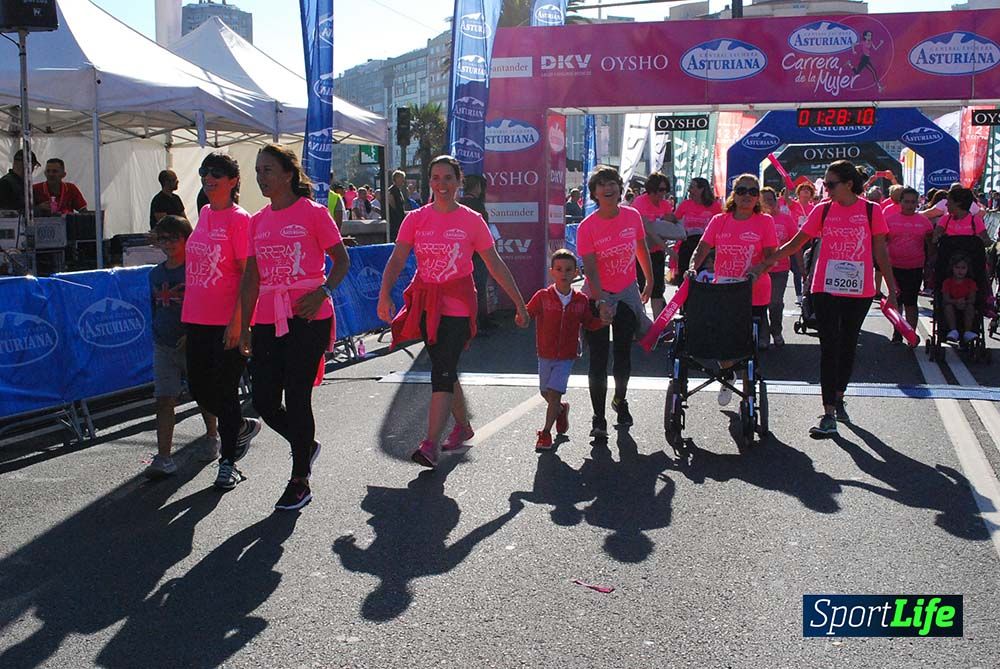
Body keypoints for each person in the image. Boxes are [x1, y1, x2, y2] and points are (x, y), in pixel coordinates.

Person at [377, 155, 529, 469]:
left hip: (458, 303)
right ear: (428, 182)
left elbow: (495, 264)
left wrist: (519, 302)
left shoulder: (472, 220)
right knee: (444, 366)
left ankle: (430, 444)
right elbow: (396, 259)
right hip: (426, 302)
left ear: (459, 182)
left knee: (442, 371)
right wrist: (383, 296)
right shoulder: (415, 219)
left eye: (449, 178)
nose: (442, 184)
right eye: (436, 178)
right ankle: (463, 425)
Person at [237, 144, 350, 511]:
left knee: (298, 395)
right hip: (268, 317)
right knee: (265, 401)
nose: (261, 178)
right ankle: (306, 445)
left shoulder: (313, 213)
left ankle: (299, 479)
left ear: (288, 173)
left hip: (308, 316)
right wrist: (245, 325)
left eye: (267, 170)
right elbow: (252, 276)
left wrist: (322, 292)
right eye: (257, 171)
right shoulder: (257, 220)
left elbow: (341, 261)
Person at [764, 159, 897, 438]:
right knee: (829, 346)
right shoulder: (822, 211)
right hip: (825, 287)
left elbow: (881, 252)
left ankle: (838, 396)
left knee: (848, 344)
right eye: (825, 184)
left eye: (831, 184)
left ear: (849, 184)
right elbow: (797, 241)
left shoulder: (872, 212)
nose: (826, 189)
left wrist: (892, 291)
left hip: (858, 291)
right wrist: (765, 263)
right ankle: (828, 412)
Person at [182, 152, 262, 489]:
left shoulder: (240, 220)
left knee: (225, 392)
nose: (208, 178)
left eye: (217, 173)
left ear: (233, 181)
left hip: (227, 322)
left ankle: (228, 461)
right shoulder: (202, 213)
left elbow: (248, 275)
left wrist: (238, 322)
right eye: (204, 171)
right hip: (195, 317)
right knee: (200, 389)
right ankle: (240, 427)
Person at [577, 165, 653, 436]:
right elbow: (590, 269)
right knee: (598, 358)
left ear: (620, 188)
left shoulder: (632, 216)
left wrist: (650, 280)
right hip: (597, 294)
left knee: (623, 354)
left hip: (627, 291)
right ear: (594, 193)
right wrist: (599, 302)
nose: (608, 188)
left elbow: (641, 248)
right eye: (602, 185)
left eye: (613, 184)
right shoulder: (587, 227)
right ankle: (598, 418)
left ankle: (620, 400)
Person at [688, 175, 777, 403]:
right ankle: (728, 375)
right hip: (723, 291)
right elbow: (702, 247)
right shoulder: (720, 220)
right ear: (733, 194)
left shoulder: (764, 222)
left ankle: (748, 396)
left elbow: (771, 257)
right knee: (721, 344)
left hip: (753, 293)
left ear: (758, 196)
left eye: (752, 192)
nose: (747, 196)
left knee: (748, 348)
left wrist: (756, 271)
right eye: (742, 191)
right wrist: (692, 268)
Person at [145, 215, 218, 478]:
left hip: (193, 342)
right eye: (162, 238)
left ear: (186, 239)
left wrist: (194, 333)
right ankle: (164, 456)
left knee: (203, 393)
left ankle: (212, 436)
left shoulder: (195, 269)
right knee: (164, 398)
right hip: (164, 344)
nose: (167, 244)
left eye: (173, 238)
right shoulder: (155, 274)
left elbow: (207, 303)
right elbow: (155, 307)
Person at [525, 249, 607, 450]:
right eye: (559, 269)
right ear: (551, 272)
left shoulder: (580, 300)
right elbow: (528, 314)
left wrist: (602, 322)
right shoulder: (543, 296)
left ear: (576, 273)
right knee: (545, 391)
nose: (564, 273)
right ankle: (561, 410)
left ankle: (545, 433)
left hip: (567, 356)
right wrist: (521, 317)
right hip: (545, 353)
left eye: (568, 270)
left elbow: (588, 322)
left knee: (554, 392)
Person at [885, 187, 933, 342]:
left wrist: (929, 265)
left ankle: (910, 334)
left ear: (918, 203)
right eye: (907, 202)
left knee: (911, 302)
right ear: (901, 202)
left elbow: (930, 244)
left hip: (915, 267)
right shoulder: (890, 220)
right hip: (894, 266)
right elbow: (882, 243)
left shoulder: (924, 222)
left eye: (913, 202)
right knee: (896, 301)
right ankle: (897, 332)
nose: (910, 205)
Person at [631, 172, 676, 318]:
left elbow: (670, 224)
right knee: (639, 288)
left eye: (665, 190)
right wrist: (668, 249)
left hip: (656, 251)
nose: (663, 194)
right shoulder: (640, 202)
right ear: (652, 189)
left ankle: (658, 328)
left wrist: (671, 220)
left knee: (657, 290)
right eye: (660, 190)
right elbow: (648, 230)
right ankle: (639, 325)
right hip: (640, 251)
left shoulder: (665, 204)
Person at [760, 186, 797, 348]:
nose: (768, 202)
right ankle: (763, 335)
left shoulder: (786, 219)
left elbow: (796, 244)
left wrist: (801, 267)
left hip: (780, 268)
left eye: (770, 199)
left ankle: (776, 330)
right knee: (760, 304)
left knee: (775, 302)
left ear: (776, 200)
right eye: (764, 199)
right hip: (759, 269)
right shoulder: (756, 219)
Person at [458, 174, 496, 333]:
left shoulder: (458, 204)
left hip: (462, 254)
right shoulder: (478, 206)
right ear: (478, 187)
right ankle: (480, 323)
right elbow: (484, 231)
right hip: (478, 254)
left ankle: (472, 323)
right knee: (479, 290)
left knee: (467, 291)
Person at [671, 177, 722, 286]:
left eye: (692, 187)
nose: (689, 190)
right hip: (687, 244)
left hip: (707, 247)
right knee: (685, 278)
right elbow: (674, 220)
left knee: (702, 278)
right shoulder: (685, 204)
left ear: (702, 189)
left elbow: (720, 227)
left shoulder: (714, 206)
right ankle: (683, 301)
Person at [941, 253, 978, 343]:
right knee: (948, 307)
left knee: (970, 307)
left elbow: (972, 299)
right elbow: (946, 299)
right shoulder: (947, 282)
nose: (960, 271)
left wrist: (964, 302)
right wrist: (956, 301)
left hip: (966, 304)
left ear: (967, 269)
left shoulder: (971, 282)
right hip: (952, 304)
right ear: (952, 268)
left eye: (963, 268)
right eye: (957, 267)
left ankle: (967, 331)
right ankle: (953, 331)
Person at [386, 170, 409, 241]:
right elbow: (393, 206)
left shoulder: (399, 191)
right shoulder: (392, 191)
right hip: (394, 222)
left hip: (400, 220)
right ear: (396, 178)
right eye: (401, 178)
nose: (403, 180)